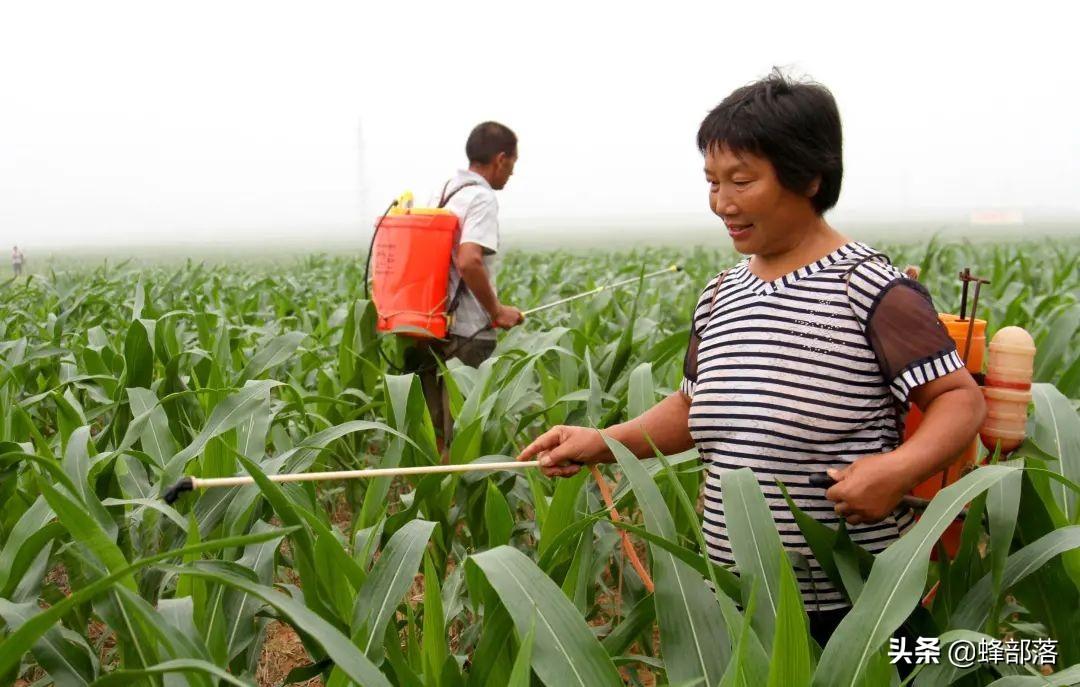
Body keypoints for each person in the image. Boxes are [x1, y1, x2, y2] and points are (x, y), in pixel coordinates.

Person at [517, 72, 986, 651]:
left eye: (742, 181)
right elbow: (696, 407)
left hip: (855, 602)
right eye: (712, 182)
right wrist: (604, 441)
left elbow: (959, 399)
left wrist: (897, 471)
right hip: (738, 596)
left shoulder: (868, 288)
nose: (722, 203)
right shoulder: (721, 294)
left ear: (810, 177)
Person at [414, 121, 524, 450]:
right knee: (463, 438)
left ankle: (433, 498)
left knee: (434, 438)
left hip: (430, 325)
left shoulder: (445, 192)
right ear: (501, 159)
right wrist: (497, 310)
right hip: (467, 334)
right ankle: (459, 500)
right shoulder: (481, 198)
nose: (512, 174)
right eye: (513, 166)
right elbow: (468, 260)